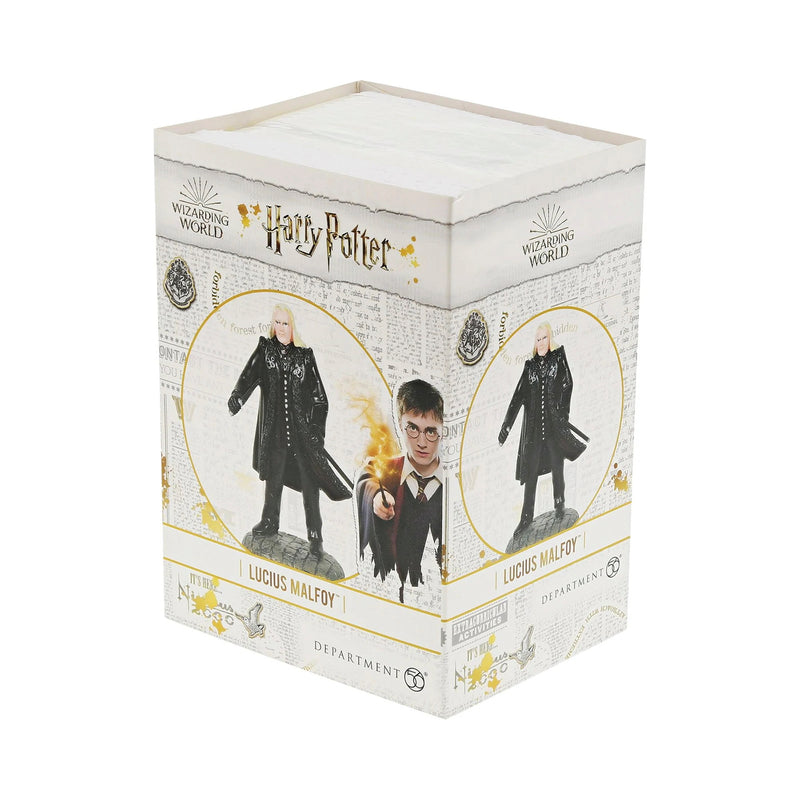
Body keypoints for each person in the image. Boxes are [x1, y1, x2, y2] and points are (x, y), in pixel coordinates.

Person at [228, 304, 351, 556]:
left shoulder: (305, 357)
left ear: (292, 326)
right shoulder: (265, 351)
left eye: (285, 323)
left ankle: (315, 535)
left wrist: (316, 430)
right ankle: (269, 521)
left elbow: (320, 399)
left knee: (310, 483)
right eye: (277, 323)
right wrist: (237, 397)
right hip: (273, 433)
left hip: (301, 437)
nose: (281, 328)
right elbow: (248, 376)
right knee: (273, 478)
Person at [356, 380, 444, 603]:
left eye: (431, 431)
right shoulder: (389, 471)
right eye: (412, 428)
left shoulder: (452, 483)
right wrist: (376, 496)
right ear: (399, 425)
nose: (421, 442)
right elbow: (368, 477)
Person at [498, 321, 587, 535]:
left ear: (550, 339)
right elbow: (517, 397)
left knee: (557, 465)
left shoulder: (558, 358)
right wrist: (506, 427)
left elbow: (567, 384)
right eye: (537, 339)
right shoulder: (529, 367)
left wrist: (563, 413)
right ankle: (525, 518)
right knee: (531, 473)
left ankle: (559, 504)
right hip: (534, 432)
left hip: (554, 427)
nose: (540, 342)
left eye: (544, 338)